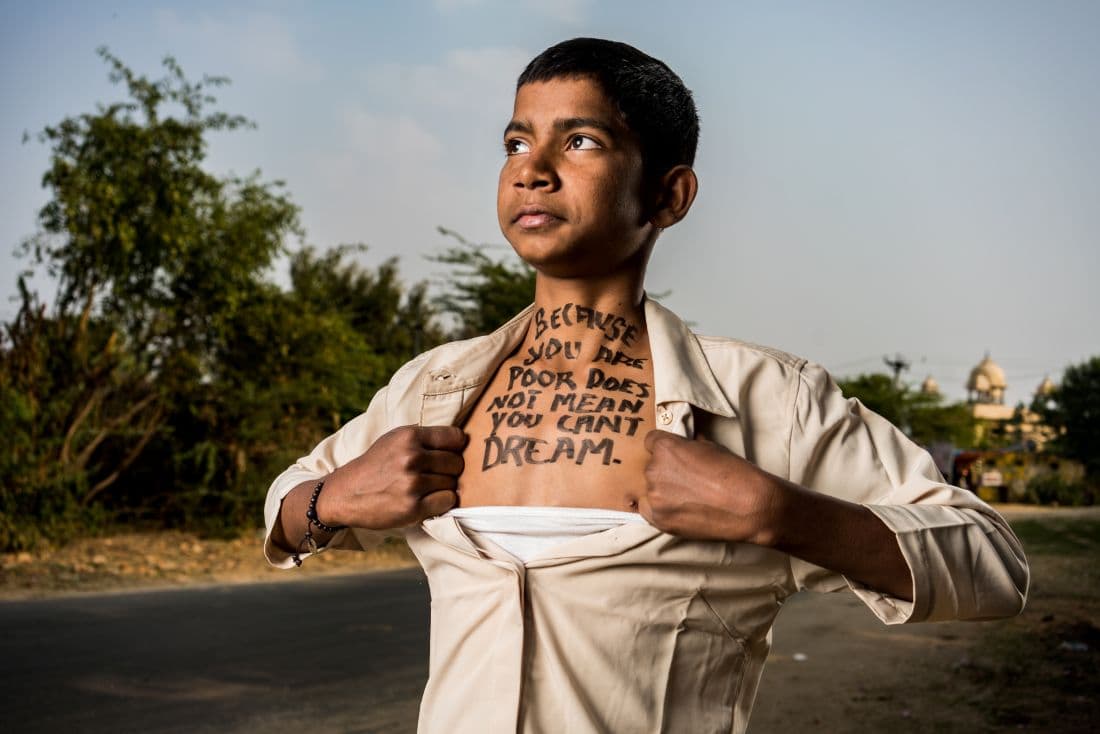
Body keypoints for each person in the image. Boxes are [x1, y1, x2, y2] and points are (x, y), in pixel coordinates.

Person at [265, 38, 1028, 734]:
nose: (531, 169)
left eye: (581, 141)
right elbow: (287, 506)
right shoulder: (434, 387)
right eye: (516, 142)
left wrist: (782, 514)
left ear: (669, 195)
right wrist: (332, 499)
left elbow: (993, 565)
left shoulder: (769, 400)